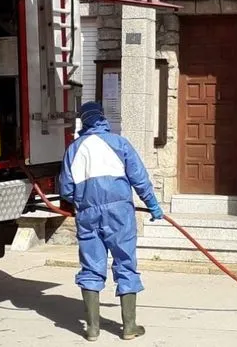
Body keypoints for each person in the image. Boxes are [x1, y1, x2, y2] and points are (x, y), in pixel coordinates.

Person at [59, 101, 165, 341]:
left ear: (82, 121)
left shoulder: (74, 149)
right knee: (125, 263)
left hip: (87, 213)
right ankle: (129, 327)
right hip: (120, 213)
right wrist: (153, 206)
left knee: (91, 266)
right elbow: (139, 178)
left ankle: (93, 329)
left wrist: (82, 201)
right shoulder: (119, 143)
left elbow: (65, 189)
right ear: (102, 118)